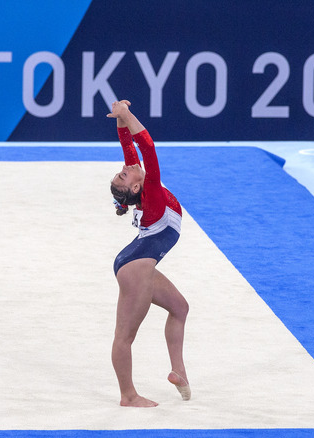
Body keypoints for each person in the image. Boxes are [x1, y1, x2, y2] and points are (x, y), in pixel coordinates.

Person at [107, 100, 191, 407]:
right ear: (135, 189)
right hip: (135, 268)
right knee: (125, 337)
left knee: (180, 308)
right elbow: (148, 149)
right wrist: (128, 115)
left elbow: (130, 148)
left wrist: (119, 120)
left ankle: (178, 371)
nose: (126, 169)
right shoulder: (151, 191)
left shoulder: (141, 186)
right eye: (123, 176)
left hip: (138, 262)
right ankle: (128, 396)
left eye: (121, 172)